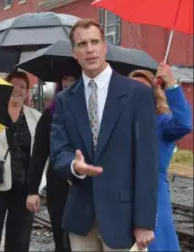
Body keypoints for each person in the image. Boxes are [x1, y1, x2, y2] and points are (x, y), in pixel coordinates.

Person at [50, 18, 159, 251]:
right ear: (74, 53)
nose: (89, 49)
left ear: (104, 46)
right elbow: (58, 152)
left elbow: (147, 162)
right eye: (82, 44)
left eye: (94, 42)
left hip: (125, 220)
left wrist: (144, 222)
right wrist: (73, 165)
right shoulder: (65, 100)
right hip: (82, 220)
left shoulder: (137, 95)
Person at [129, 65, 192, 252]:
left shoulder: (162, 123)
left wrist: (171, 84)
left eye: (143, 89)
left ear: (153, 93)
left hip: (154, 196)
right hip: (123, 195)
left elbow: (184, 124)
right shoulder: (119, 123)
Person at [0, 71, 41, 252]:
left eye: (23, 86)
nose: (17, 89)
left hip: (25, 185)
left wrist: (37, 187)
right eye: (14, 85)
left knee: (19, 238)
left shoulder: (36, 117)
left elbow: (42, 153)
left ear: (27, 92)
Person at [27, 72, 78, 252]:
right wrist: (32, 190)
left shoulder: (91, 113)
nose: (69, 83)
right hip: (58, 183)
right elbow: (39, 153)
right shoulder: (50, 115)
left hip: (85, 184)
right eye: (65, 78)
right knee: (61, 238)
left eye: (73, 79)